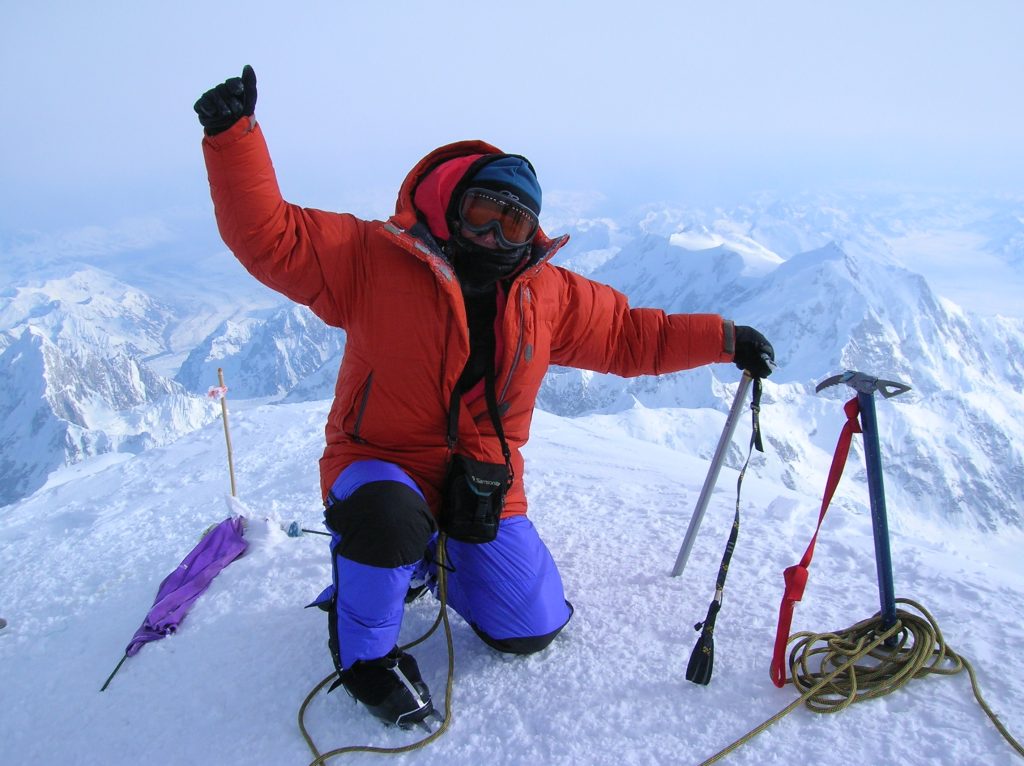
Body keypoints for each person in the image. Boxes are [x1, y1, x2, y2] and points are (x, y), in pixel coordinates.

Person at [194, 66, 775, 728]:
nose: (495, 236)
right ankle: (364, 658)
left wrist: (726, 339)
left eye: (514, 223)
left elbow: (629, 336)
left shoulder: (545, 294)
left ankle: (429, 561)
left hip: (482, 482)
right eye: (483, 214)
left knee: (530, 627)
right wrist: (233, 137)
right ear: (453, 206)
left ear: (533, 232)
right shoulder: (373, 257)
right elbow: (272, 236)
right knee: (389, 519)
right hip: (379, 464)